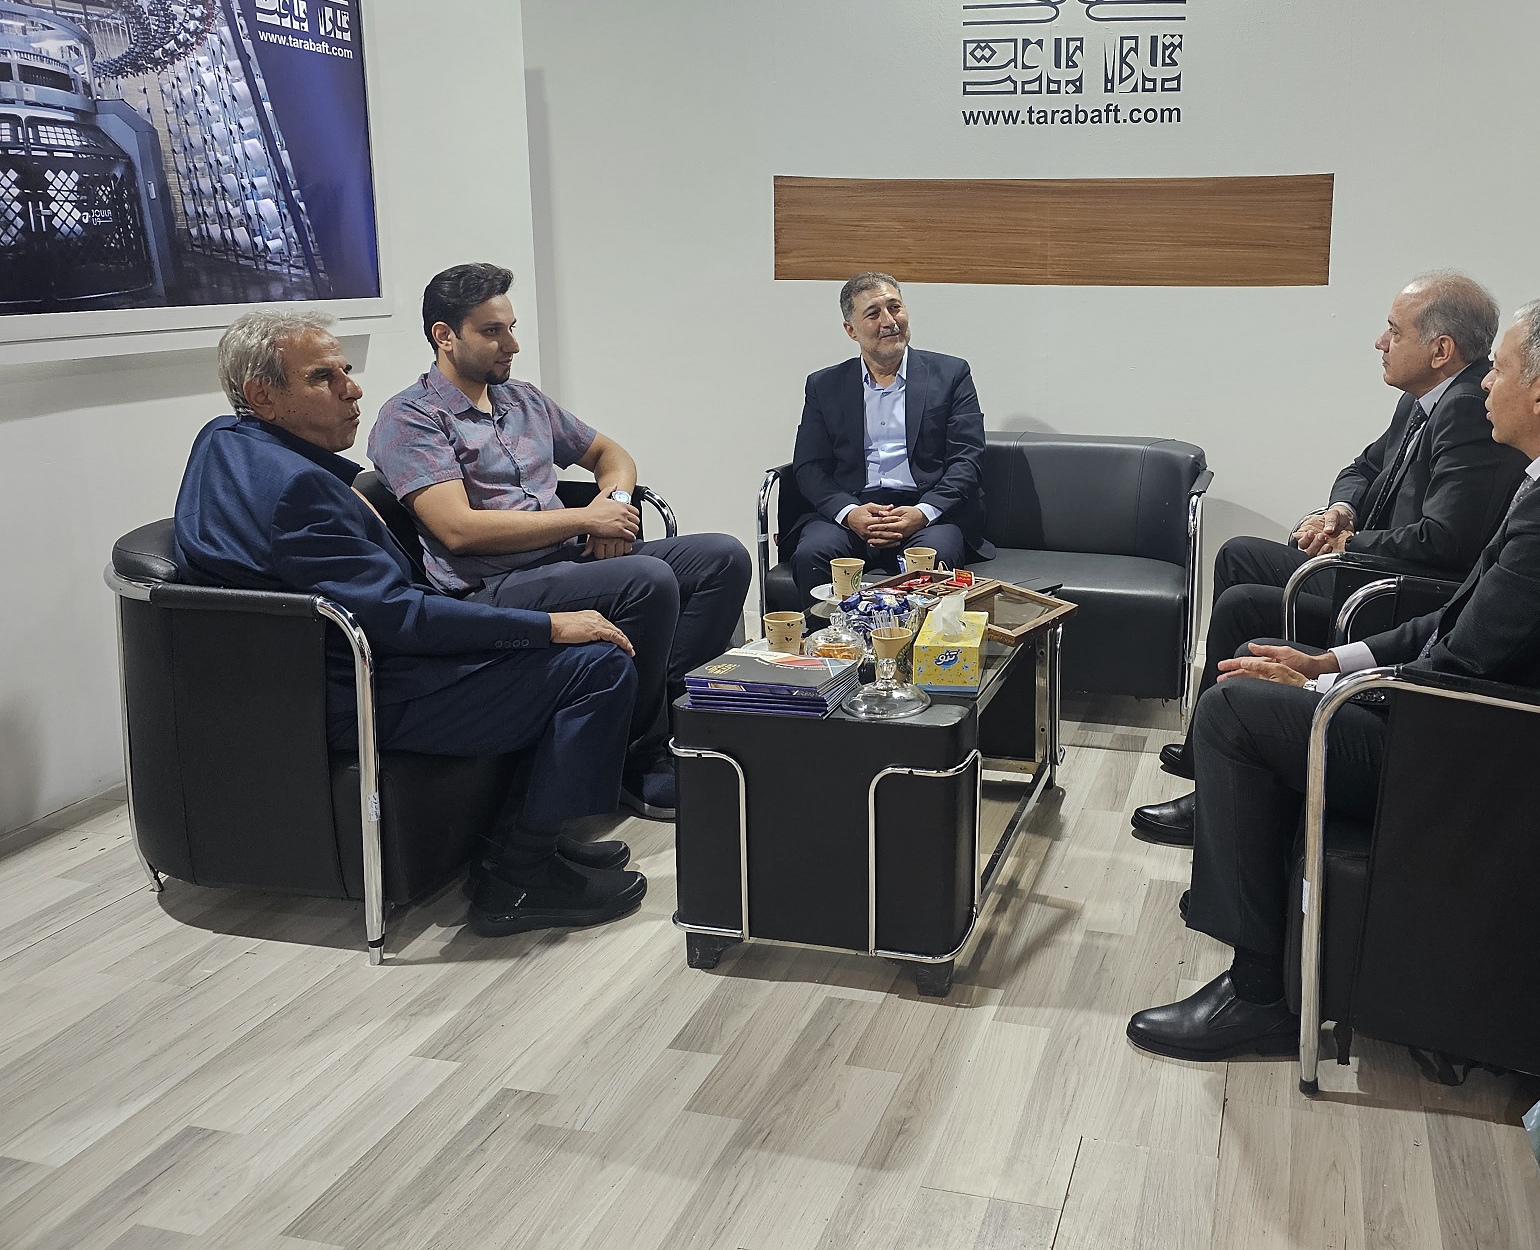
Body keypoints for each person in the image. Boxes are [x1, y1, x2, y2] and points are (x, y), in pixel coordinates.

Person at [1125, 296, 1540, 1061]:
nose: (1485, 384)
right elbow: (1457, 619)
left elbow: (1458, 663)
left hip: (1488, 757)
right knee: (1258, 673)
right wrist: (1326, 663)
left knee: (1235, 712)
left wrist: (1318, 694)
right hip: (1480, 723)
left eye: (1501, 370)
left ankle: (1258, 997)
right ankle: (1260, 938)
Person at [174, 309, 647, 937]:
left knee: (582, 634)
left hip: (302, 673)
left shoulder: (224, 439)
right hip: (360, 688)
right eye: (323, 377)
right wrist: (548, 627)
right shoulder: (296, 491)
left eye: (345, 369)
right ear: (262, 395)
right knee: (597, 665)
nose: (353, 389)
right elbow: (398, 618)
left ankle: (527, 838)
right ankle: (519, 877)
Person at [1138, 272, 1525, 843]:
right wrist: (1340, 512)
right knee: (1240, 556)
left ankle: (1215, 783)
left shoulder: (1467, 409)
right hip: (1370, 567)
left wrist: (1351, 545)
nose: (1380, 342)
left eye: (1394, 331)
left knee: (1244, 602)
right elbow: (1362, 468)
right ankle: (1207, 755)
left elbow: (1446, 540)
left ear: (1440, 350)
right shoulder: (1421, 401)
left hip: (1394, 592)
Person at [367, 263, 751, 822]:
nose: (512, 344)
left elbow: (611, 455)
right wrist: (583, 519)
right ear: (444, 336)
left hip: (565, 561)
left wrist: (613, 506)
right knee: (647, 579)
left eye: (511, 328)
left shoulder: (523, 399)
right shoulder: (409, 419)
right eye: (493, 331)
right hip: (493, 586)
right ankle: (635, 757)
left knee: (722, 557)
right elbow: (458, 529)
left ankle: (673, 727)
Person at [787, 271, 990, 596]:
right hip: (853, 507)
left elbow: (968, 458)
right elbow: (810, 466)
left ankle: (919, 633)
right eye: (873, 314)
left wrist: (923, 512)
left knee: (936, 553)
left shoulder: (951, 374)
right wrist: (849, 513)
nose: (889, 321)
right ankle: (830, 632)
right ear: (851, 330)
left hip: (925, 511)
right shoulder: (824, 385)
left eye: (895, 308)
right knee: (813, 553)